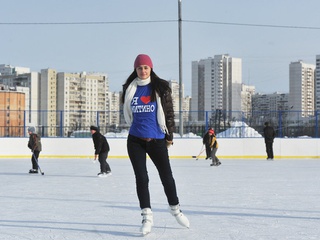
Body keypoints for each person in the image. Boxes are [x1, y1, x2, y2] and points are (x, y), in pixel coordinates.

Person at [122, 54, 190, 235]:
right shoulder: (130, 89)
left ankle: (175, 209)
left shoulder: (160, 87)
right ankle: (147, 216)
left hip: (157, 139)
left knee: (166, 176)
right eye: (139, 68)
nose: (143, 71)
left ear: (151, 68)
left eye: (145, 67)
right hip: (135, 140)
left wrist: (170, 135)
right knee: (142, 178)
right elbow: (128, 113)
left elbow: (169, 113)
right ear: (135, 70)